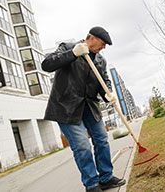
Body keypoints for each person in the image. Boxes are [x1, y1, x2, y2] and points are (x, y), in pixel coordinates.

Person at [41, 27, 125, 192]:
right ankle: (92, 185)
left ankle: (106, 178)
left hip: (90, 107)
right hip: (66, 107)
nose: (104, 48)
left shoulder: (101, 61)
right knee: (82, 146)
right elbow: (47, 64)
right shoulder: (68, 47)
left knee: (101, 139)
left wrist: (108, 93)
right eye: (102, 44)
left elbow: (104, 81)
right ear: (91, 38)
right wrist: (72, 54)